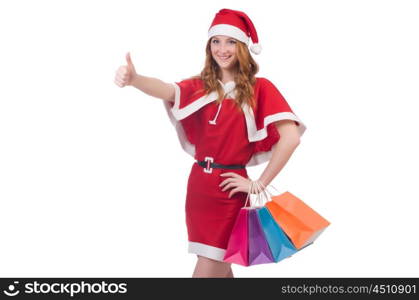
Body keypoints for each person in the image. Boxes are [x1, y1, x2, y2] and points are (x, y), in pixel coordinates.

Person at [114, 8, 306, 278]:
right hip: (199, 189)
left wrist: (258, 183)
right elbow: (167, 89)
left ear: (242, 47)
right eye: (216, 41)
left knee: (206, 274)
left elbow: (291, 138)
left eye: (230, 42)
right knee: (220, 272)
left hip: (229, 192)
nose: (222, 49)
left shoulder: (260, 88)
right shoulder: (200, 86)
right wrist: (135, 80)